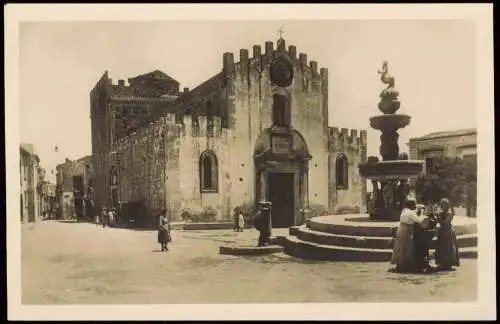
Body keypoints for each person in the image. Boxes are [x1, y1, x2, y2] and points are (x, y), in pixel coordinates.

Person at [390, 199, 427, 273]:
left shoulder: (405, 210)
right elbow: (419, 220)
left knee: (400, 246)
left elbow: (414, 210)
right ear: (411, 205)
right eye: (414, 205)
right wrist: (423, 215)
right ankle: (405, 264)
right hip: (406, 230)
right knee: (407, 246)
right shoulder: (411, 213)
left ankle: (400, 263)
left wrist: (417, 209)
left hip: (401, 228)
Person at [435, 198, 460, 271]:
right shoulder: (440, 213)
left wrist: (438, 219)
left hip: (448, 231)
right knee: (441, 247)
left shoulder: (450, 213)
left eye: (445, 204)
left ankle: (448, 264)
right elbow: (439, 221)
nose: (444, 206)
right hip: (442, 231)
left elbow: (446, 222)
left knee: (448, 247)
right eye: (442, 204)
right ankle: (442, 263)